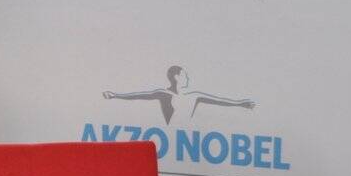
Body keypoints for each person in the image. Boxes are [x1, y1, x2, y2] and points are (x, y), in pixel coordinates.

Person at [103, 66, 255, 124]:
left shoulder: (194, 95)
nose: (187, 78)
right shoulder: (162, 94)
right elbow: (138, 95)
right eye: (185, 76)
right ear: (176, 77)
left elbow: (219, 100)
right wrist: (115, 95)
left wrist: (240, 103)